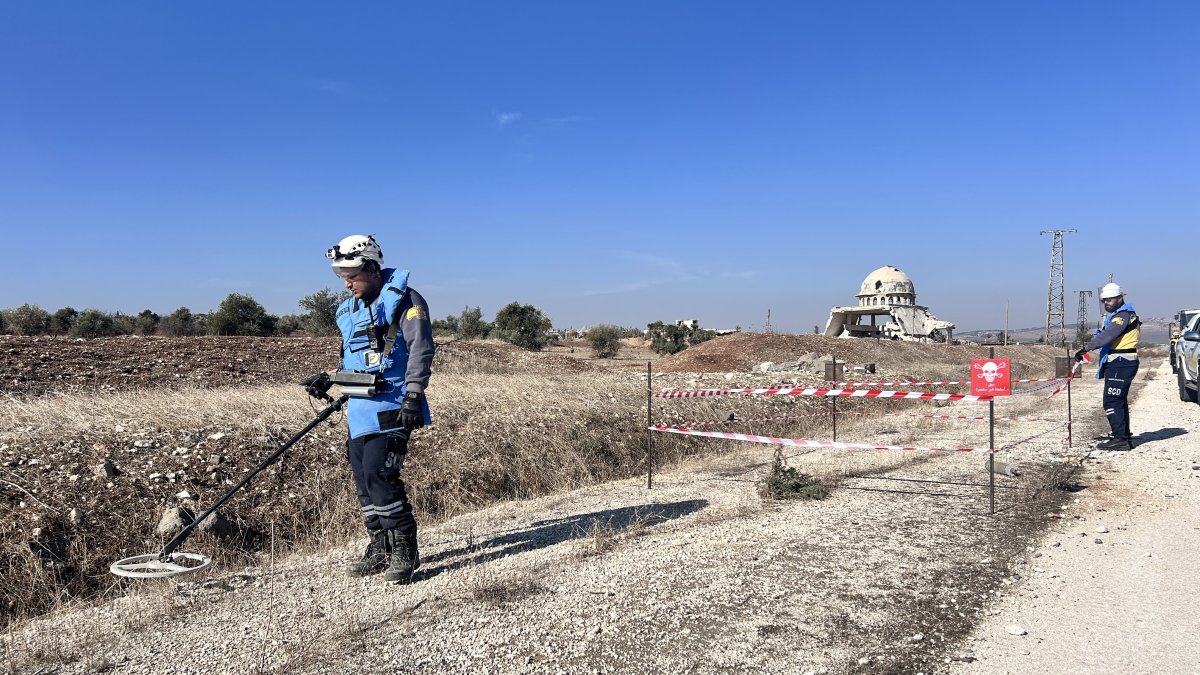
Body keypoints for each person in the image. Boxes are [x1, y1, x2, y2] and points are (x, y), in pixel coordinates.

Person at [325, 234, 434, 582]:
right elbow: (357, 360)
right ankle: (380, 545)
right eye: (342, 275)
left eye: (352, 275)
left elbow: (421, 349)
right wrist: (328, 378)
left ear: (372, 268)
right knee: (363, 480)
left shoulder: (406, 300)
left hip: (396, 405)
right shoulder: (352, 309)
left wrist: (414, 393)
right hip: (360, 410)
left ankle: (405, 548)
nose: (347, 282)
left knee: (379, 473)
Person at [1075, 282, 1139, 451]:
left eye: (1109, 300)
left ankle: (1121, 439)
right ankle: (1122, 434)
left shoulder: (1122, 316)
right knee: (1119, 400)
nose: (1106, 303)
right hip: (1120, 362)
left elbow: (1108, 335)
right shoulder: (1120, 315)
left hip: (1121, 362)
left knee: (1111, 400)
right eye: (1104, 301)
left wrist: (1086, 348)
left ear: (1120, 298)